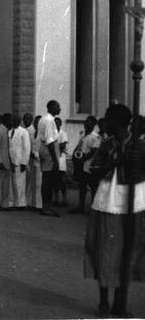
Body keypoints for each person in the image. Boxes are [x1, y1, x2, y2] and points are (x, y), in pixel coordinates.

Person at [84, 104, 145, 318]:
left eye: (108, 119)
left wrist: (139, 163)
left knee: (128, 253)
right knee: (106, 251)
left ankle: (120, 303)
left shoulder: (139, 145)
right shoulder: (106, 144)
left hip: (133, 202)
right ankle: (104, 302)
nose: (105, 123)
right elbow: (94, 169)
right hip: (108, 202)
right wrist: (115, 162)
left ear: (117, 122)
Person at [70, 116, 101, 214]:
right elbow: (78, 146)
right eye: (86, 122)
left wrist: (83, 159)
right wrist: (74, 155)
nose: (86, 124)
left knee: (93, 187)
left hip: (89, 164)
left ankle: (93, 208)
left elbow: (94, 151)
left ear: (94, 125)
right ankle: (81, 207)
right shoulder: (83, 134)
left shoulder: (95, 136)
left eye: (89, 123)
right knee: (82, 186)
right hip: (81, 163)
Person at [37, 100, 61, 217]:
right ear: (51, 108)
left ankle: (46, 206)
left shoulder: (43, 118)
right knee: (48, 180)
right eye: (57, 107)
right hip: (49, 150)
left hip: (44, 147)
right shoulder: (49, 120)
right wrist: (55, 159)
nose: (59, 109)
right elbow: (50, 141)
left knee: (46, 179)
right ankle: (47, 207)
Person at [8, 114, 30, 210]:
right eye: (13, 120)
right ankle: (12, 202)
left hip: (20, 161)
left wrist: (24, 162)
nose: (14, 122)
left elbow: (26, 148)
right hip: (11, 160)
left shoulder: (24, 132)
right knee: (11, 183)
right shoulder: (9, 132)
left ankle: (21, 203)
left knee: (20, 183)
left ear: (20, 121)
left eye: (16, 120)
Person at [54, 117, 69, 207]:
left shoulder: (63, 133)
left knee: (61, 180)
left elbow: (63, 145)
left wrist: (55, 146)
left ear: (60, 124)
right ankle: (56, 199)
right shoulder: (52, 133)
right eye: (55, 123)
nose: (56, 124)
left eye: (58, 123)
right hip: (54, 158)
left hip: (61, 158)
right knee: (54, 180)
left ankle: (64, 199)